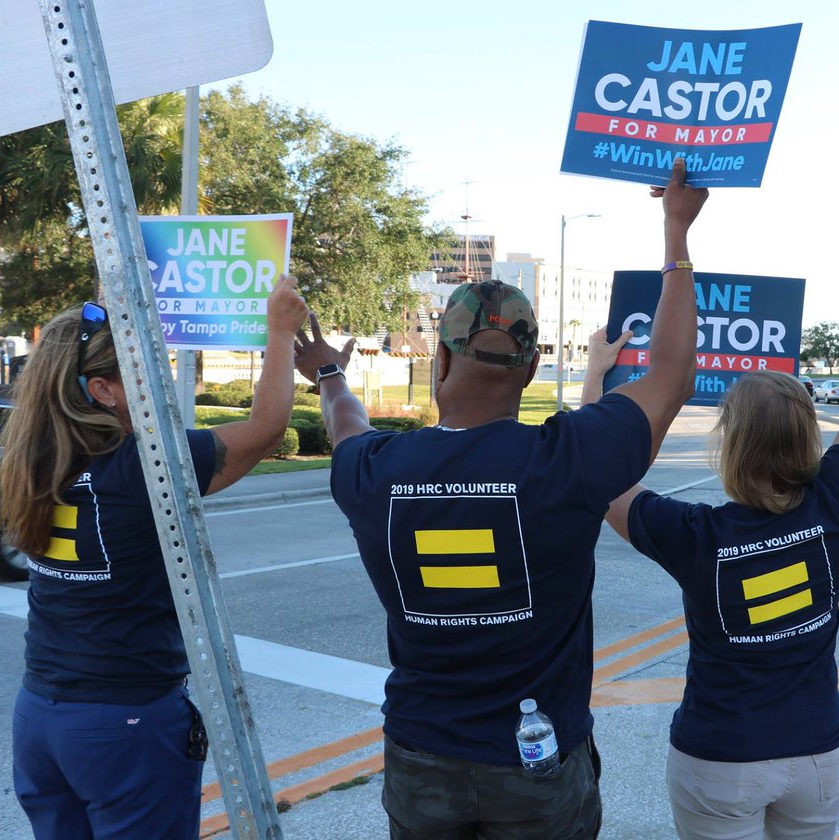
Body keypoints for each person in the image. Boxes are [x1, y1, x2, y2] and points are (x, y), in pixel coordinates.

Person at [292, 157, 707, 839]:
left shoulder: (375, 473)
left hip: (421, 757)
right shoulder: (568, 459)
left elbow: (346, 425)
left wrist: (331, 373)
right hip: (538, 762)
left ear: (441, 360)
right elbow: (671, 372)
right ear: (533, 367)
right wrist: (677, 233)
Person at [588, 213, 839, 839]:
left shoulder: (692, 533)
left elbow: (596, 471)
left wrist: (599, 376)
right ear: (809, 436)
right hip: (816, 757)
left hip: (719, 758)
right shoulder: (830, 501)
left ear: (729, 445)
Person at [2, 277, 308, 839]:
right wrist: (280, 333)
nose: (157, 376)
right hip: (124, 723)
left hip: (40, 715)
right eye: (140, 366)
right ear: (102, 389)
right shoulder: (144, 469)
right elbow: (265, 430)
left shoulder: (33, 459)